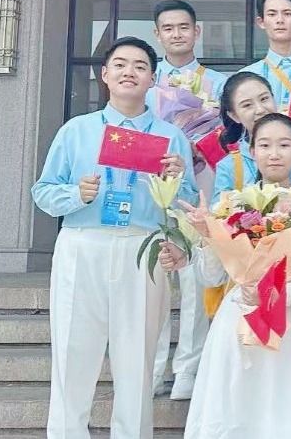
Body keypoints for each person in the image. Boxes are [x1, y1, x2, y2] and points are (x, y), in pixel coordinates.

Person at [31, 36, 196, 439]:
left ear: (152, 78)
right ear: (104, 75)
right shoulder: (77, 131)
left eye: (140, 66)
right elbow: (43, 192)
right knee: (73, 352)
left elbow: (190, 205)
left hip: (143, 246)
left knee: (137, 358)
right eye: (120, 65)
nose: (129, 72)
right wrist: (76, 194)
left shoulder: (170, 138)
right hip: (84, 242)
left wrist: (177, 181)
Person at [162, 113, 291, 439]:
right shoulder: (231, 205)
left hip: (289, 324)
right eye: (265, 145)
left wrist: (275, 291)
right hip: (237, 317)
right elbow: (212, 277)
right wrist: (208, 236)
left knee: (284, 411)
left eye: (284, 145)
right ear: (252, 151)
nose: (274, 154)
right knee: (234, 410)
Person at [146, 0, 228, 401]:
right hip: (155, 191)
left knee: (196, 282)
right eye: (168, 28)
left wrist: (201, 147)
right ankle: (152, 368)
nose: (176, 34)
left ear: (197, 32)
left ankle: (188, 370)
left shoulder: (219, 84)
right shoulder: (146, 82)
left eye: (183, 27)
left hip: (201, 188)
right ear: (157, 34)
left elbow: (231, 137)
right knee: (155, 283)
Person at [212, 72, 291, 198]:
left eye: (264, 99)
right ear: (234, 116)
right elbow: (220, 208)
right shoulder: (228, 166)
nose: (260, 110)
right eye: (247, 105)